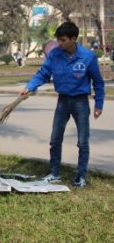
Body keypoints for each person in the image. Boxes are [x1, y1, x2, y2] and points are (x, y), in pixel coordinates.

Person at [19, 21, 105, 188]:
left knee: (82, 142)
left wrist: (99, 104)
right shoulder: (54, 54)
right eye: (58, 40)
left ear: (73, 39)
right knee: (55, 139)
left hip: (80, 102)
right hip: (63, 101)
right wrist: (29, 87)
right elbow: (43, 74)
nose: (59, 43)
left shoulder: (87, 57)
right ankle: (54, 173)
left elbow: (98, 82)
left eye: (63, 40)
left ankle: (80, 176)